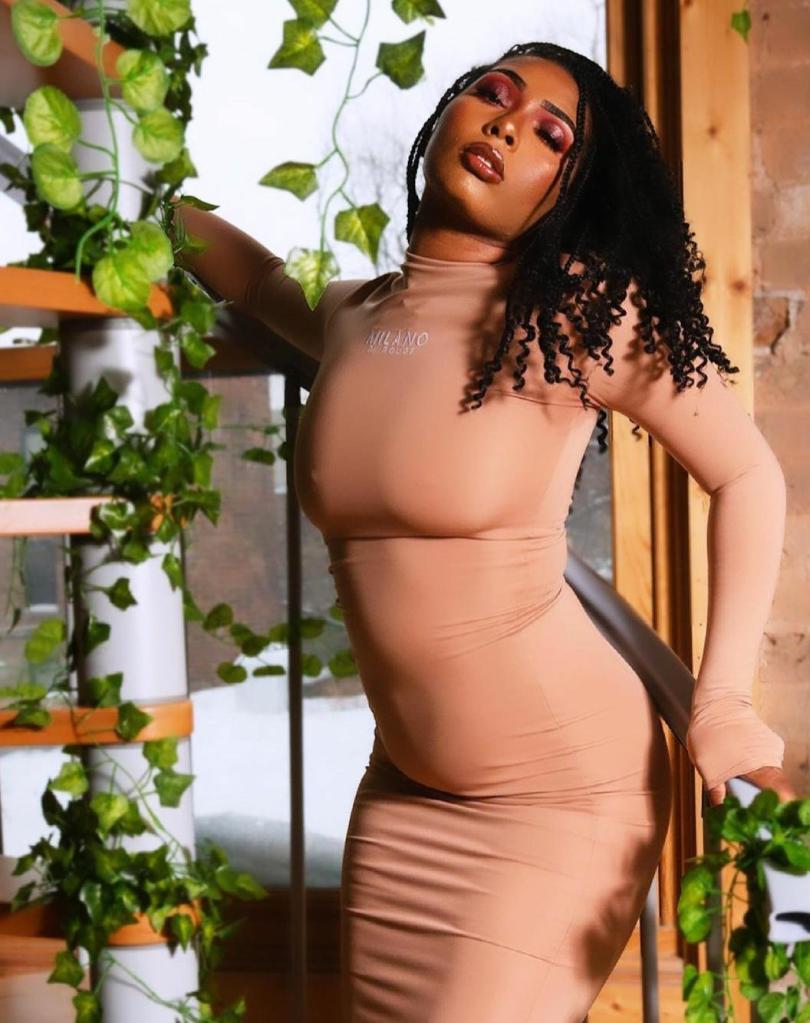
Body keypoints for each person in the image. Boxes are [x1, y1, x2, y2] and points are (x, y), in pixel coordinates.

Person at [168, 40, 796, 1023]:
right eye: (493, 94)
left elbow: (748, 474)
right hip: (402, 793)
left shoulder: (579, 316)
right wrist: (121, 174)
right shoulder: (359, 317)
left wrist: (720, 703)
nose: (507, 123)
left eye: (552, 135)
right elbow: (253, 284)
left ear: (571, 195)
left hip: (561, 797)